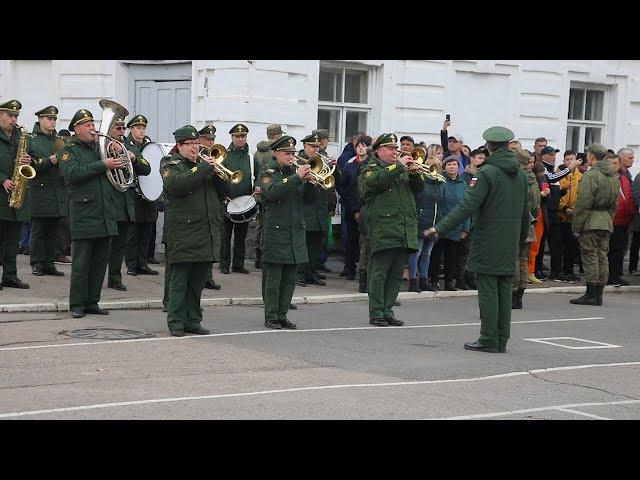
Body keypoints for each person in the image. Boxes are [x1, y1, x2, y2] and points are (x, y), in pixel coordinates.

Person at [425, 126, 529, 353]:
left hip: (488, 238)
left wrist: (439, 227)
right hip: (510, 239)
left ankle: (489, 338)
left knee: (488, 289)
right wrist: (520, 240)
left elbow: (467, 205)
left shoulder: (486, 173)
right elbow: (525, 211)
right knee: (503, 288)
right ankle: (501, 338)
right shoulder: (520, 174)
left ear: (489, 147)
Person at [162, 125, 228, 336]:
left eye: (196, 143)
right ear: (179, 145)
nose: (194, 147)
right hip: (182, 232)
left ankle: (193, 320)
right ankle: (176, 322)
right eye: (190, 144)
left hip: (205, 231)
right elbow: (177, 186)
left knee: (197, 282)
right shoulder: (170, 163)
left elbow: (227, 192)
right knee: (179, 281)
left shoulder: (204, 165)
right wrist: (203, 169)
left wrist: (218, 174)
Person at [58, 108, 121, 317]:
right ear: (76, 129)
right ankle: (77, 304)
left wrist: (115, 154)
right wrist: (102, 164)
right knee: (81, 265)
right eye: (88, 125)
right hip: (84, 214)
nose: (93, 129)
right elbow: (73, 174)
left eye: (93, 124)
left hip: (105, 214)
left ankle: (92, 301)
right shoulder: (69, 151)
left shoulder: (99, 148)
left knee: (99, 264)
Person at [361, 133, 424, 327]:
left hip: (403, 228)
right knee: (379, 273)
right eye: (391, 148)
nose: (395, 151)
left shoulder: (401, 169)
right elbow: (373, 184)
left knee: (396, 274)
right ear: (379, 150)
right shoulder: (370, 169)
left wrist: (414, 174)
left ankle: (388, 310)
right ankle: (376, 312)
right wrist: (398, 167)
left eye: (396, 149)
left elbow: (419, 189)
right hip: (384, 228)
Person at [258, 135, 310, 329]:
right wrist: (297, 178)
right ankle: (271, 315)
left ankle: (282, 314)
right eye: (287, 153)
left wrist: (309, 181)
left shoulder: (295, 172)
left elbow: (309, 199)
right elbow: (273, 191)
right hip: (276, 231)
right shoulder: (268, 171)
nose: (291, 157)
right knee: (274, 278)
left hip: (295, 230)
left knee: (289, 278)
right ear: (277, 153)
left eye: (293, 153)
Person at [570, 144, 619, 306]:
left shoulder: (592, 175)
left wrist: (576, 227)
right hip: (605, 220)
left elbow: (584, 203)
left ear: (591, 156)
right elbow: (614, 204)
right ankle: (599, 293)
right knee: (602, 256)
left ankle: (591, 293)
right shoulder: (613, 175)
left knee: (590, 256)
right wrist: (609, 219)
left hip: (590, 221)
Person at [106, 115, 151, 291]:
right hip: (108, 199)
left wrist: (133, 158)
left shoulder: (130, 147)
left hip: (125, 202)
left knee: (119, 245)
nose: (120, 131)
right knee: (104, 246)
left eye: (122, 128)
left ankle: (115, 278)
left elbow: (146, 168)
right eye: (117, 128)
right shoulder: (101, 146)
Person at [27, 105, 66, 277]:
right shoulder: (31, 139)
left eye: (54, 119)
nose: (52, 122)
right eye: (49, 119)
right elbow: (29, 165)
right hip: (39, 191)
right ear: (40, 119)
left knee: (52, 231)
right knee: (38, 231)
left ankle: (49, 263)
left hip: (56, 191)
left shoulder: (58, 140)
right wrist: (49, 161)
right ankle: (37, 263)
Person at [220, 124, 260, 275]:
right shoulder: (224, 155)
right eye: (237, 136)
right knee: (225, 236)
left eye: (243, 136)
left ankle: (238, 264)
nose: (240, 139)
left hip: (245, 203)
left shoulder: (251, 157)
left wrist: (257, 188)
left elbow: (258, 175)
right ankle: (224, 264)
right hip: (227, 201)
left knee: (241, 236)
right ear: (232, 137)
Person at [0, 99, 32, 289]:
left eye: (16, 116)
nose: (14, 119)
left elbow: (33, 161)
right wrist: (2, 179)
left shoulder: (21, 136)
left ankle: (10, 276)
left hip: (15, 195)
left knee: (12, 241)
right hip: (1, 193)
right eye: (10, 115)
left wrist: (29, 159)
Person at [296, 133, 334, 286]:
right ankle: (299, 274)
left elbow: (330, 183)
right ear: (305, 146)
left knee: (315, 246)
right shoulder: (298, 163)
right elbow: (300, 191)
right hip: (305, 211)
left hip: (320, 211)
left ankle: (311, 272)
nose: (315, 149)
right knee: (303, 245)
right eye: (312, 146)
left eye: (317, 146)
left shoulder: (321, 161)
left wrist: (333, 168)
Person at [124, 114, 158, 277]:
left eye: (143, 128)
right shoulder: (125, 145)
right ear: (131, 129)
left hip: (148, 192)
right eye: (138, 128)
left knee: (147, 229)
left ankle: (142, 263)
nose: (141, 131)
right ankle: (131, 264)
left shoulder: (149, 145)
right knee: (134, 231)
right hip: (133, 192)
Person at [430, 155, 469, 291]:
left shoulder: (463, 184)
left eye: (454, 164)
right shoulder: (440, 181)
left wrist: (465, 228)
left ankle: (449, 282)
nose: (452, 167)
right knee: (435, 254)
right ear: (444, 167)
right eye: (449, 165)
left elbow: (466, 207)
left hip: (456, 226)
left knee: (451, 257)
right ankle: (433, 281)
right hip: (440, 225)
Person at [337, 135, 371, 281]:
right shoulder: (350, 164)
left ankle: (364, 267)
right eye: (358, 146)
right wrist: (351, 206)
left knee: (365, 239)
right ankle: (349, 267)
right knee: (350, 238)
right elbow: (343, 185)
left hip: (366, 207)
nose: (360, 148)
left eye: (363, 146)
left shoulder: (371, 164)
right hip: (351, 207)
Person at [408, 156, 444, 293]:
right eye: (430, 165)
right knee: (415, 253)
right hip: (421, 221)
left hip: (434, 223)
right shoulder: (421, 181)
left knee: (426, 254)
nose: (433, 168)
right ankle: (413, 280)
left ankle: (423, 279)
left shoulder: (440, 183)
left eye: (435, 166)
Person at [253, 124, 284, 269]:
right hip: (270, 191)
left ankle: (258, 257)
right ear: (277, 135)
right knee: (269, 225)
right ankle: (265, 256)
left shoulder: (258, 151)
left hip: (259, 191)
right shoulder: (275, 151)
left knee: (260, 225)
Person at [512, 148, 539, 309]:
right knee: (523, 260)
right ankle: (520, 293)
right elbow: (535, 206)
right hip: (528, 224)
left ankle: (514, 293)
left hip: (516, 223)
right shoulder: (532, 179)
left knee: (515, 260)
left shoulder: (516, 178)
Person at [195, 125, 222, 289]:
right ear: (199, 140)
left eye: (213, 140)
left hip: (212, 206)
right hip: (198, 209)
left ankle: (208, 277)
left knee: (212, 243)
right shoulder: (195, 157)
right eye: (207, 139)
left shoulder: (216, 155)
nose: (211, 142)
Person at [607, 155, 634, 287]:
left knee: (620, 250)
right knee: (611, 250)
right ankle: (609, 276)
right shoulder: (607, 179)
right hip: (611, 220)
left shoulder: (624, 178)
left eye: (616, 163)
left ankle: (617, 275)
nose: (615, 165)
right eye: (612, 163)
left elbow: (629, 197)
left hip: (625, 220)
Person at [557, 151, 583, 282]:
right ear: (564, 161)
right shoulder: (559, 176)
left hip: (575, 216)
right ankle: (560, 270)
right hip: (561, 215)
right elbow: (557, 194)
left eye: (572, 159)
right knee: (561, 245)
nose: (570, 162)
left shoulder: (581, 176)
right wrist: (564, 208)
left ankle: (570, 270)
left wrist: (577, 209)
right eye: (567, 160)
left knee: (572, 246)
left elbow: (583, 195)